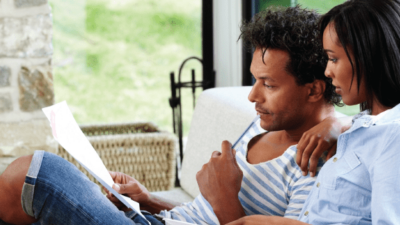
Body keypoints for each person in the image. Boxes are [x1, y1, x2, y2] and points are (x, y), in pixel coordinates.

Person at [0, 6, 345, 225]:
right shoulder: (263, 124)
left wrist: (224, 197)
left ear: (314, 89)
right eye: (254, 80)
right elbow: (201, 214)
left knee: (35, 174)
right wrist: (147, 200)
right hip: (153, 220)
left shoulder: (314, 161)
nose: (253, 95)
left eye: (268, 84)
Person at [225, 0, 400, 224]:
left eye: (334, 59)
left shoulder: (393, 137)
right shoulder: (363, 127)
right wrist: (339, 124)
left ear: (370, 57)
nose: (327, 71)